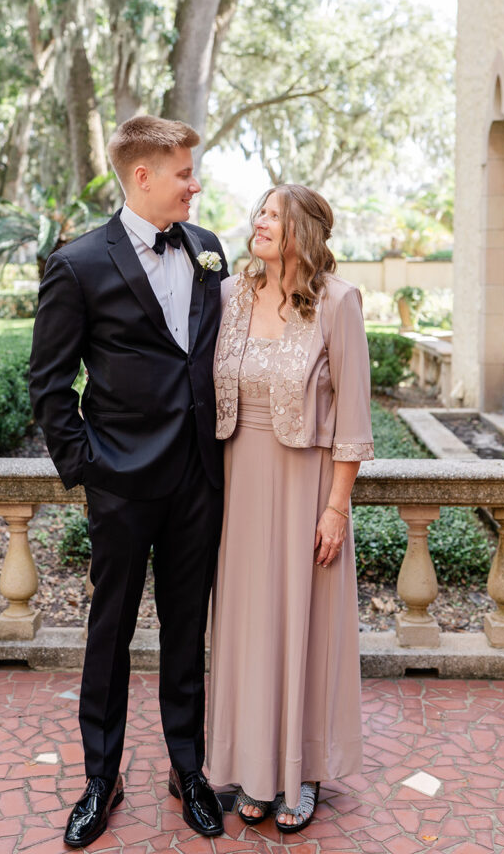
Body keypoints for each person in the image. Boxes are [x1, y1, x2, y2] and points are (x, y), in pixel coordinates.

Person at [29, 116, 228, 848]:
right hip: (120, 481)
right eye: (183, 172)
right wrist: (88, 470)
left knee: (186, 629)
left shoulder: (207, 248)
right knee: (108, 632)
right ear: (141, 176)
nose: (194, 184)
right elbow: (49, 384)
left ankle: (188, 769)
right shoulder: (78, 263)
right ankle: (99, 778)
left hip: (200, 477)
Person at [206, 184, 374, 833]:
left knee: (303, 627)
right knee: (249, 628)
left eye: (272, 215)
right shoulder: (230, 295)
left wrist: (335, 508)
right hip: (238, 482)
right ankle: (253, 768)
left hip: (306, 486)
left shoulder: (339, 302)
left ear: (301, 228)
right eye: (258, 212)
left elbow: (354, 419)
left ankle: (300, 772)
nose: (259, 222)